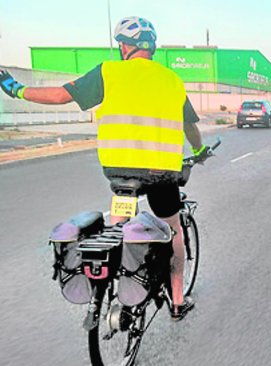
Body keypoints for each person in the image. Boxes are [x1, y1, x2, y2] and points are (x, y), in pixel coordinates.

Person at [0, 16, 204, 321]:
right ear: (152, 48)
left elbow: (58, 96)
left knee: (118, 229)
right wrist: (199, 151)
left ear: (124, 46)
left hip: (119, 173)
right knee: (173, 229)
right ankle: (177, 300)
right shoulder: (172, 80)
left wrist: (14, 89)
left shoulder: (108, 73)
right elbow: (189, 126)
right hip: (161, 174)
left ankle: (108, 285)